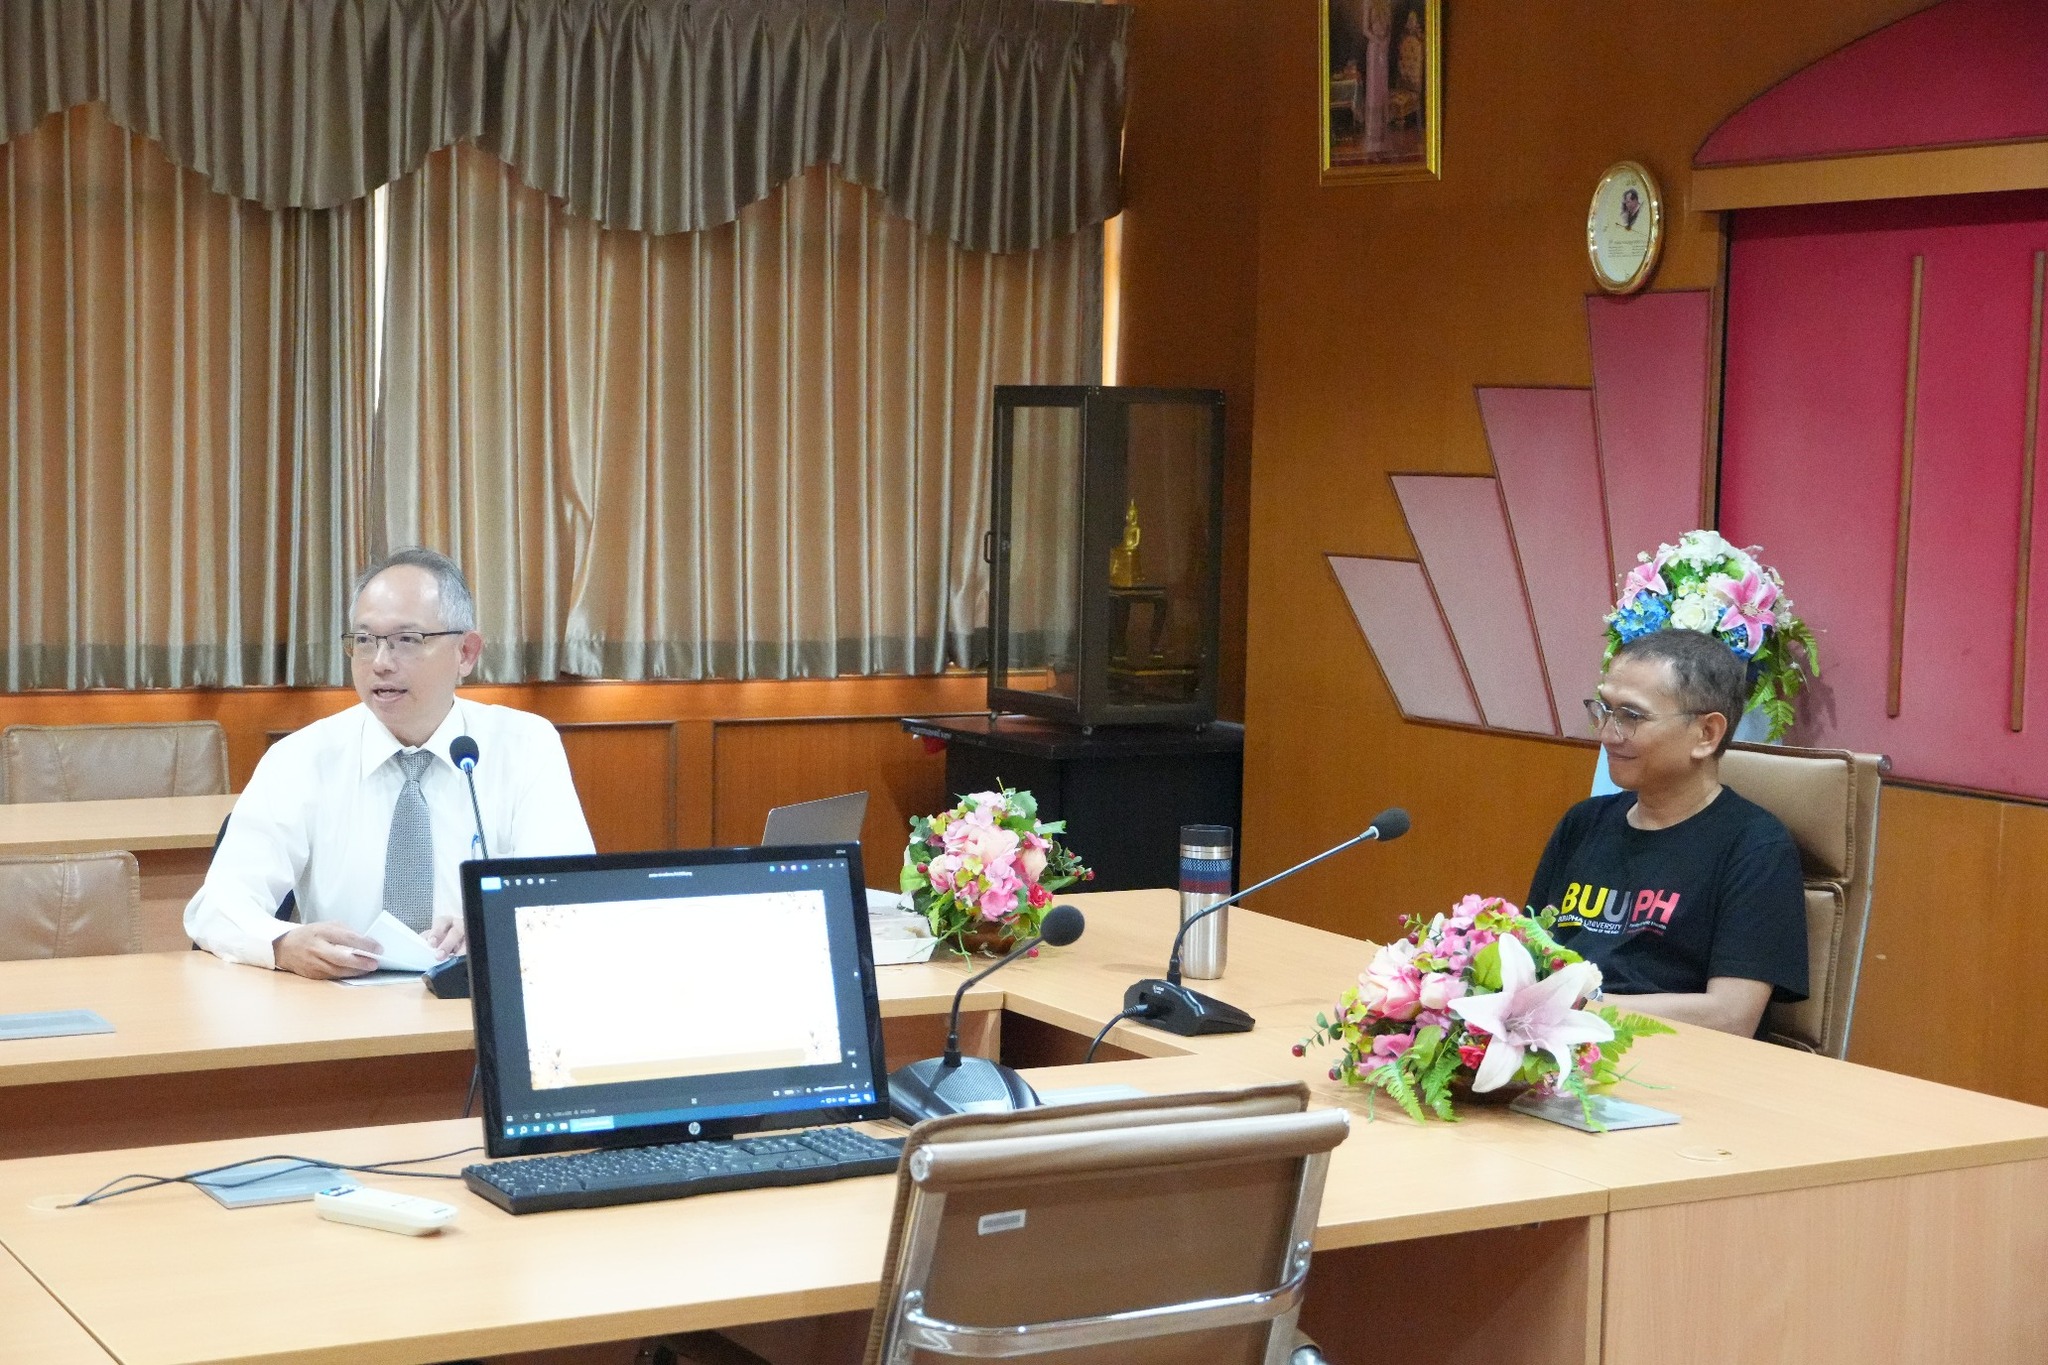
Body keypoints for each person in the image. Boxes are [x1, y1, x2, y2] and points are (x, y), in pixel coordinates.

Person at [186, 548, 594, 979]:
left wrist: (493, 925)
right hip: (336, 1006)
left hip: (473, 999)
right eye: (365, 641)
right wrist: (282, 944)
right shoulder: (301, 758)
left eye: (407, 640)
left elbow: (571, 898)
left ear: (466, 652)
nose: (380, 663)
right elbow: (217, 907)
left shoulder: (524, 746)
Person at [1526, 628, 1807, 1037]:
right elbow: (1527, 954)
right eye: (1604, 710)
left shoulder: (1756, 847)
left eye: (1631, 716)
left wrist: (1583, 1006)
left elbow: (1732, 1016)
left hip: (1669, 1057)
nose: (1607, 734)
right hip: (1553, 1044)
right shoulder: (1583, 823)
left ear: (1706, 734)